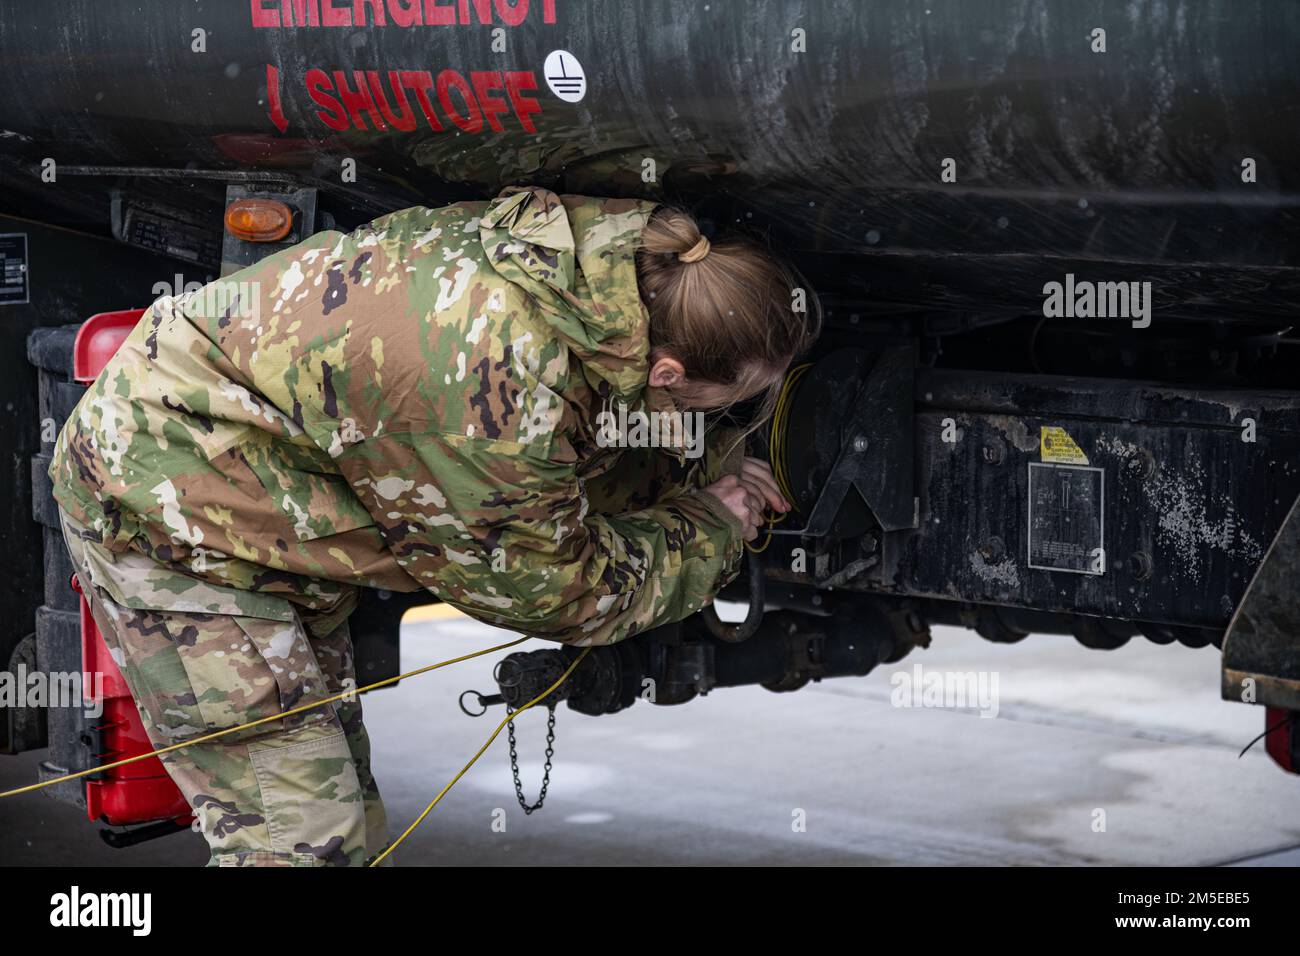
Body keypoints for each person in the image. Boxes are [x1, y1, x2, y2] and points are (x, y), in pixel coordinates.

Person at [50, 185, 819, 866]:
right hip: (170, 520)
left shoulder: (588, 271)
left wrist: (702, 475)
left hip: (260, 506)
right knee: (294, 840)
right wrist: (710, 526)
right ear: (666, 374)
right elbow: (554, 592)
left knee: (338, 814)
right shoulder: (493, 392)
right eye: (715, 406)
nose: (717, 419)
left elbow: (579, 450)